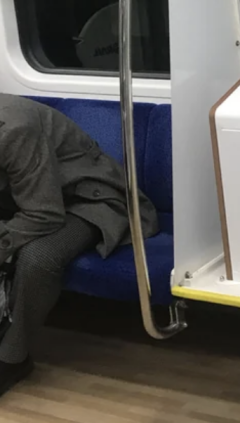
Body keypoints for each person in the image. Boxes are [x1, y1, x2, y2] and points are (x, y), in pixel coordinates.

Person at [0, 95, 158, 395]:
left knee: (39, 257)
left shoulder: (12, 128)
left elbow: (44, 213)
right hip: (24, 199)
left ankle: (12, 357)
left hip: (86, 201)